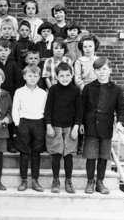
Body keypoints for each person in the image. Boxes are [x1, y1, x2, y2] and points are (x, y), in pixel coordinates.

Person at [81, 57, 124, 194]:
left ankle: (100, 182)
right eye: (99, 70)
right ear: (95, 71)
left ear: (110, 71)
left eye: (105, 69)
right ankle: (90, 181)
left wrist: (120, 122)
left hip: (106, 127)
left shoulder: (116, 89)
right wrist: (81, 123)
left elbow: (121, 109)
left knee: (103, 156)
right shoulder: (88, 88)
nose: (102, 72)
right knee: (91, 155)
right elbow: (81, 107)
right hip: (90, 126)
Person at [44, 62, 82, 193]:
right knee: (56, 154)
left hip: (70, 127)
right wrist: (48, 125)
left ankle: (68, 180)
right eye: (61, 75)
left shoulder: (76, 90)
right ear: (57, 77)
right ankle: (55, 180)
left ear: (72, 75)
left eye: (67, 75)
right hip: (55, 127)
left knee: (68, 155)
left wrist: (76, 127)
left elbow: (79, 111)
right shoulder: (53, 90)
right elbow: (48, 109)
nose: (65, 78)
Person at [12, 65, 47, 192]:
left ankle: (35, 180)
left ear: (39, 77)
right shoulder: (19, 91)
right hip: (24, 123)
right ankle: (24, 180)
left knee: (36, 153)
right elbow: (15, 108)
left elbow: (45, 110)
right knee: (24, 152)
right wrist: (18, 123)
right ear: (24, 76)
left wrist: (43, 124)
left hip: (38, 123)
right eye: (30, 76)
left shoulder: (43, 93)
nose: (32, 78)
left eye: (35, 76)